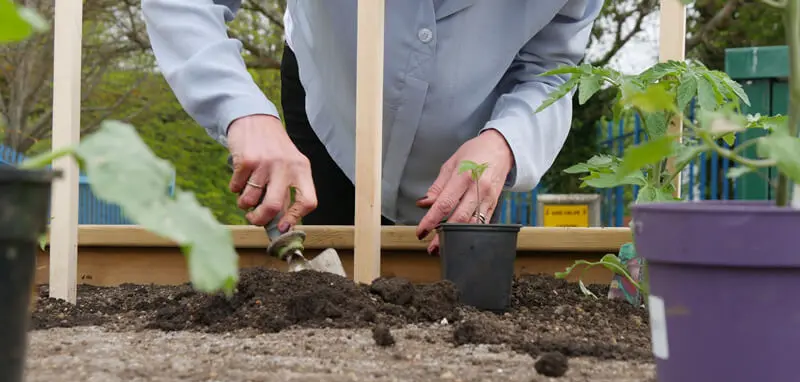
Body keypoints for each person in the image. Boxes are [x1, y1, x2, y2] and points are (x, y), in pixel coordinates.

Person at [141, 0, 602, 254]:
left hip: (470, 160)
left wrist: (507, 141)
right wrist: (241, 110)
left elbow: (552, 67)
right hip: (329, 114)